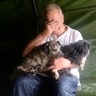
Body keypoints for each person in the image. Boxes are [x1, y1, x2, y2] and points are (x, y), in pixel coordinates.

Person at [12, 3, 83, 96]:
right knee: (21, 82)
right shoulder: (44, 34)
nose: (52, 25)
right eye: (48, 22)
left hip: (66, 75)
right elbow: (25, 54)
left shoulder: (75, 34)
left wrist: (66, 63)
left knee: (62, 88)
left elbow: (81, 62)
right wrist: (44, 34)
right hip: (43, 75)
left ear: (62, 18)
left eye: (55, 21)